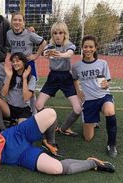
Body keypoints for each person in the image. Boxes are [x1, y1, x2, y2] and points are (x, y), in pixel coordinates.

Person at [0, 108, 115, 175]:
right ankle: (92, 163)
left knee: (50, 113)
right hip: (20, 157)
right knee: (57, 169)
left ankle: (48, 141)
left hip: (16, 136)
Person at [35, 21, 82, 156]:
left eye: (60, 33)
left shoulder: (69, 45)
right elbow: (45, 53)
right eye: (55, 33)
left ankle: (64, 128)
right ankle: (49, 127)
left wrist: (59, 54)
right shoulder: (50, 45)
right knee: (38, 105)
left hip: (66, 78)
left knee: (78, 109)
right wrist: (49, 52)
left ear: (65, 34)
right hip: (53, 78)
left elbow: (69, 54)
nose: (57, 36)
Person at [72, 35, 118, 158]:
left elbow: (107, 80)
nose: (88, 49)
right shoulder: (76, 66)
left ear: (95, 48)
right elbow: (74, 79)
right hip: (89, 101)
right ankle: (93, 122)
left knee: (109, 111)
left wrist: (106, 84)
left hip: (103, 96)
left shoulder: (102, 63)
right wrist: (78, 91)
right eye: (85, 47)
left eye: (91, 47)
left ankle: (112, 144)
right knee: (88, 138)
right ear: (82, 48)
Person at [0, 52, 36, 131]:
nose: (15, 63)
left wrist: (24, 79)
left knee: (21, 129)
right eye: (13, 62)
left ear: (23, 62)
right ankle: (2, 128)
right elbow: (3, 94)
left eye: (17, 61)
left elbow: (26, 98)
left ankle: (15, 122)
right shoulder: (10, 75)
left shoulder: (31, 77)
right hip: (10, 108)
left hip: (23, 110)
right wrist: (9, 77)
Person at [6, 11, 47, 80]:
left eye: (20, 20)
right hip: (15, 64)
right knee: (16, 87)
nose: (17, 22)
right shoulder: (8, 34)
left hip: (28, 64)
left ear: (23, 22)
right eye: (15, 20)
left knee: (30, 87)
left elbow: (44, 43)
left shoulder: (29, 33)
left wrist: (36, 56)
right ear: (11, 22)